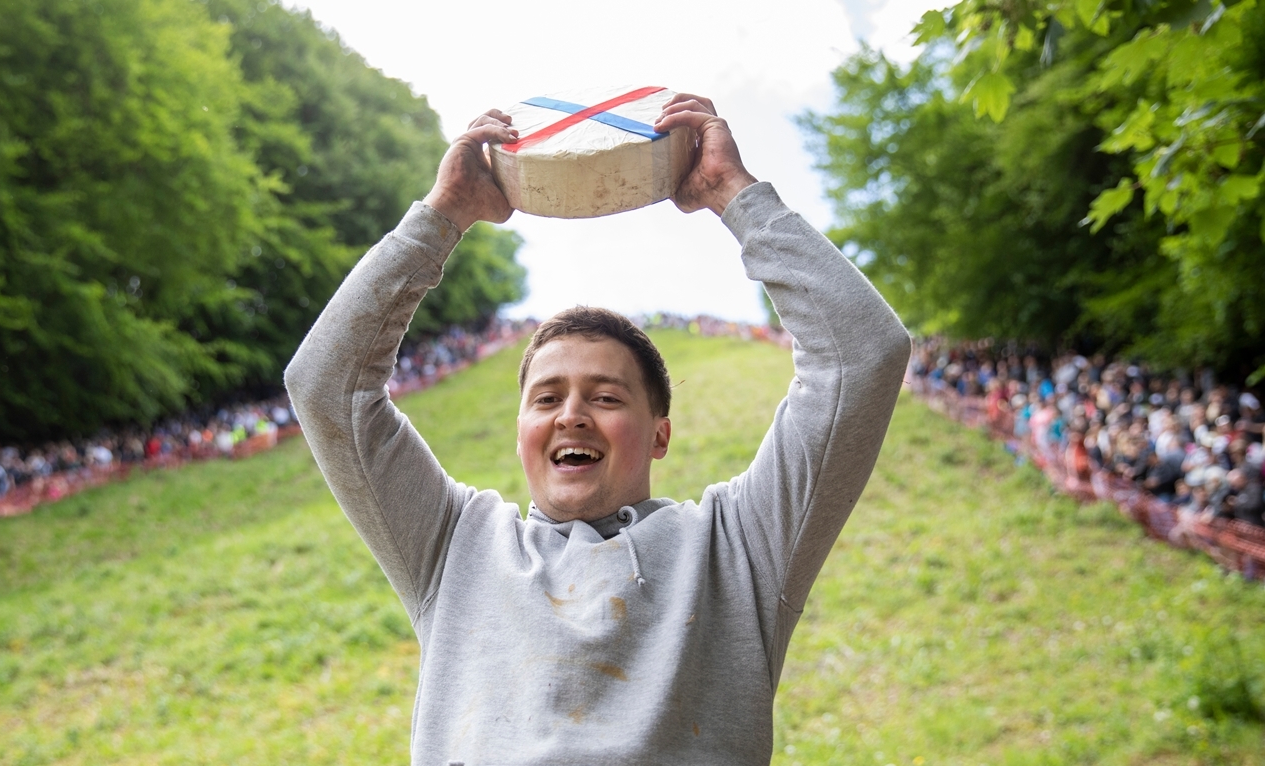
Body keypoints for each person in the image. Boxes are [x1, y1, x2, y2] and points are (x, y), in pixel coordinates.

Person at [285, 94, 911, 764]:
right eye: (547, 397)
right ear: (521, 431)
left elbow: (863, 352)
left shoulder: (739, 547)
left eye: (606, 396)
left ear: (660, 435)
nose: (572, 414)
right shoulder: (453, 545)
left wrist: (733, 193)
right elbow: (327, 387)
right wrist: (442, 217)